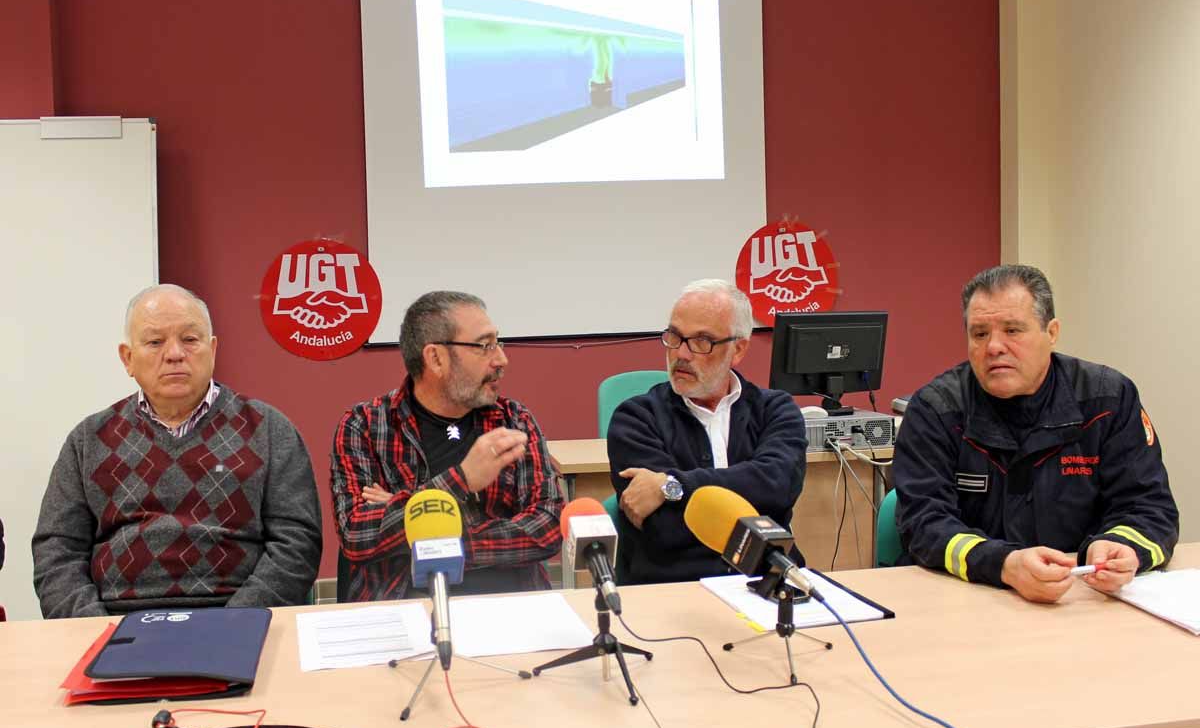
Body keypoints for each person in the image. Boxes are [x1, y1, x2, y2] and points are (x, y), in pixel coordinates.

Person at [33, 284, 322, 618]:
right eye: (155, 342)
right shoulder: (88, 440)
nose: (174, 354)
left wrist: (234, 623)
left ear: (212, 350)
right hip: (115, 622)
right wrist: (94, 630)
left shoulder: (270, 429)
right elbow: (56, 551)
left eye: (190, 339)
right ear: (128, 358)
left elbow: (298, 545)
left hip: (238, 620)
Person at [894, 264, 1178, 604]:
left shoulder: (1108, 399)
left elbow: (1150, 507)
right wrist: (1003, 564)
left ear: (1052, 332)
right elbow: (922, 524)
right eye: (980, 334)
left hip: (1083, 598)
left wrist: (1123, 547)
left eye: (1013, 330)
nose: (994, 347)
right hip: (968, 599)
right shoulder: (936, 408)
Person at [329, 291, 562, 601]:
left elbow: (547, 528)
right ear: (435, 358)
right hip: (404, 604)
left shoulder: (513, 420)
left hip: (509, 603)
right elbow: (358, 536)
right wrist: (462, 480)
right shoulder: (365, 426)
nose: (501, 359)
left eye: (498, 343)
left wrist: (416, 518)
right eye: (484, 346)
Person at [607, 279, 807, 584]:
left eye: (702, 341)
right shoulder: (636, 417)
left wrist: (672, 485)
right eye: (674, 336)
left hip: (769, 582)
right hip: (675, 590)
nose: (681, 354)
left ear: (738, 349)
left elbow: (778, 485)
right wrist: (750, 500)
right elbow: (663, 530)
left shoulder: (775, 409)